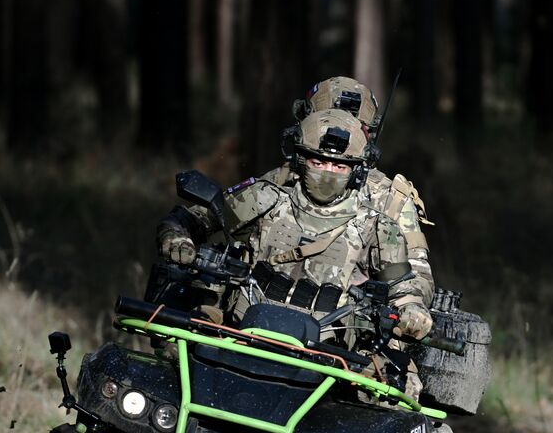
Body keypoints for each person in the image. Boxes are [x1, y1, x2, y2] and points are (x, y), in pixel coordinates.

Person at [155, 106, 437, 367]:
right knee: (170, 355)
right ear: (301, 160)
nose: (328, 172)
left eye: (339, 166)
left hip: (330, 357)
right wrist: (177, 239)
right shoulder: (264, 200)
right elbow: (190, 219)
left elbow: (404, 286)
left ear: (357, 171)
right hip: (238, 334)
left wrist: (412, 310)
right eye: (319, 161)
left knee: (398, 390)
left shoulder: (377, 228)